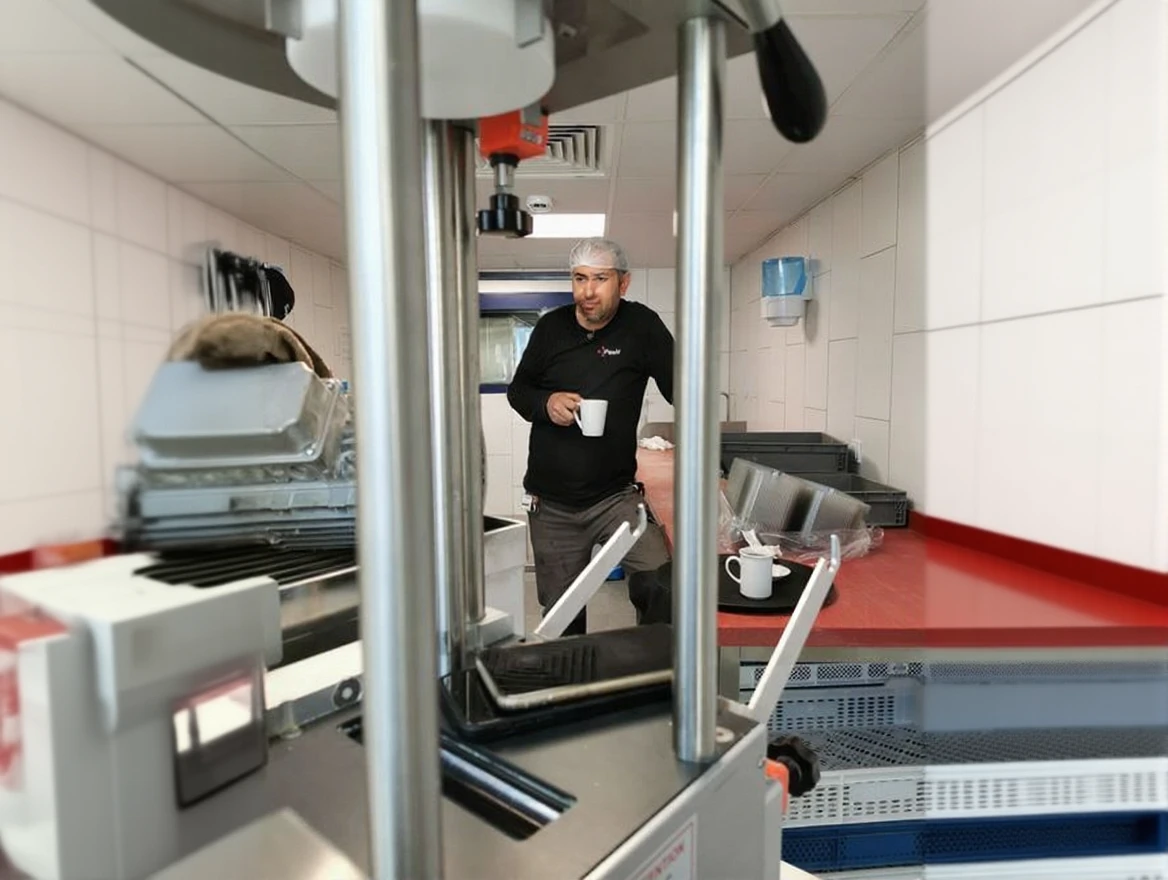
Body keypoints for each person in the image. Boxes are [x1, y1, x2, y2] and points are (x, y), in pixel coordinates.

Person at [507, 238, 674, 635]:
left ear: (623, 283)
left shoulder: (642, 327)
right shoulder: (551, 328)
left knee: (664, 584)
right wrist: (546, 402)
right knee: (562, 615)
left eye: (600, 278)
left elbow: (684, 389)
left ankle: (653, 664)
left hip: (616, 498)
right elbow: (519, 391)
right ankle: (574, 672)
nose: (588, 291)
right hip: (552, 506)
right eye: (580, 279)